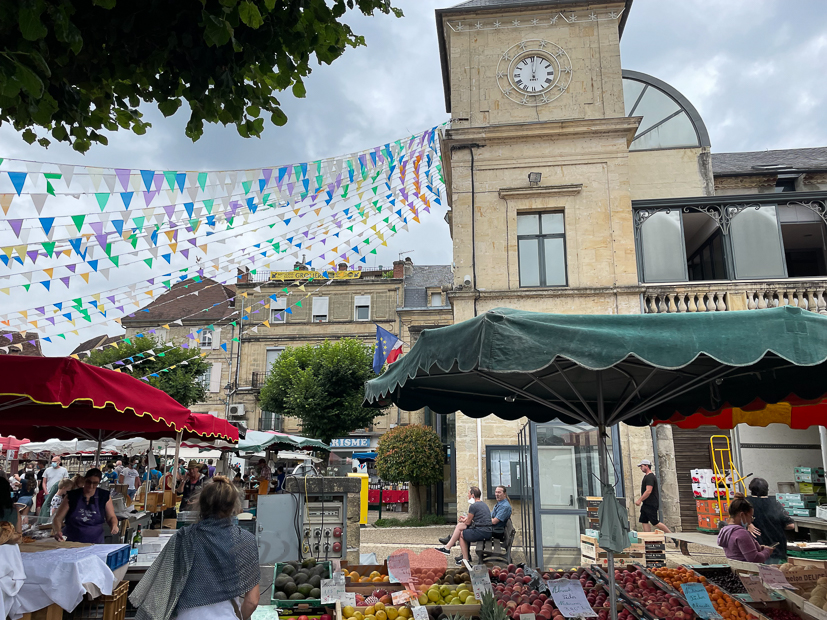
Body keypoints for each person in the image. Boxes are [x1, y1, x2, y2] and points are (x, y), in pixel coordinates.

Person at [130, 476, 260, 620]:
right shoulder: (244, 540)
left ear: (201, 504)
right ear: (233, 506)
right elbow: (252, 601)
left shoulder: (183, 537)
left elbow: (161, 587)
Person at [52, 468, 120, 544]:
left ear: (99, 482)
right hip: (71, 541)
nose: (91, 486)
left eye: (95, 483)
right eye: (88, 482)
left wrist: (114, 525)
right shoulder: (72, 496)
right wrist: (57, 531)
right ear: (84, 480)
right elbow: (58, 518)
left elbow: (111, 517)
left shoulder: (104, 496)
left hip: (96, 541)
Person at [436, 486, 492, 565]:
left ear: (472, 495)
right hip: (486, 530)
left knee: (461, 534)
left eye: (468, 494)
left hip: (482, 531)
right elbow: (474, 520)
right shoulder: (483, 504)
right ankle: (448, 548)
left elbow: (468, 523)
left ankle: (464, 558)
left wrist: (465, 520)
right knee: (460, 526)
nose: (468, 496)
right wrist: (466, 519)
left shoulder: (473, 506)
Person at [747, 477, 795, 563]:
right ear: (767, 489)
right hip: (777, 548)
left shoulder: (746, 503)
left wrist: (748, 524)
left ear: (751, 489)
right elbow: (791, 525)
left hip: (757, 550)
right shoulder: (775, 503)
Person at [718, 495, 775, 563]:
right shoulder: (741, 533)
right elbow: (755, 559)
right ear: (742, 515)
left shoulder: (726, 530)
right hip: (746, 568)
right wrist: (767, 551)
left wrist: (760, 548)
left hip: (735, 566)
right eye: (750, 517)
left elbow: (740, 551)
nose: (751, 521)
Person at [635, 459, 671, 533]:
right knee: (644, 520)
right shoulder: (646, 476)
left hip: (651, 503)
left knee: (655, 522)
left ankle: (672, 535)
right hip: (646, 504)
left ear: (647, 466)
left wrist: (639, 500)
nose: (641, 468)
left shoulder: (650, 477)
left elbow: (648, 490)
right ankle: (647, 538)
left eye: (641, 466)